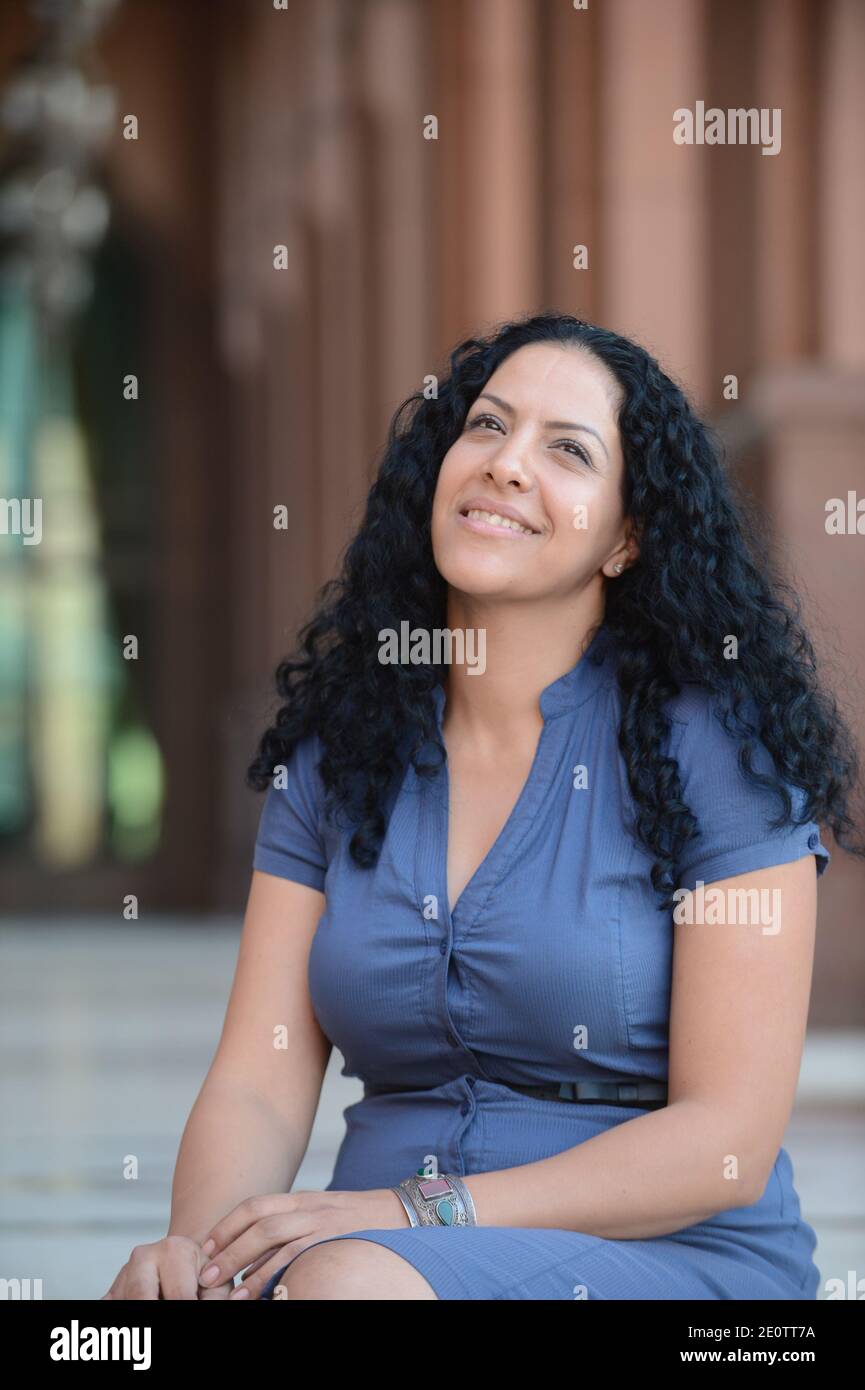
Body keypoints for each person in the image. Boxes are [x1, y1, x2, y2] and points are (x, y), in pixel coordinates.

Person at [103, 313, 862, 1301]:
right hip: (366, 1262)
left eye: (567, 450)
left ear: (626, 536)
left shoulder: (717, 747)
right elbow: (257, 1075)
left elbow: (727, 1138)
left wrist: (421, 1211)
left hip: (668, 1257)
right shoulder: (340, 750)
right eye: (487, 426)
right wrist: (198, 1251)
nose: (507, 465)